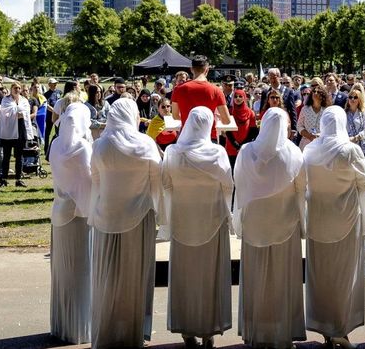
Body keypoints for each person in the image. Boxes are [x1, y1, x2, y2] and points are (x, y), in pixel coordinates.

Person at [90, 98, 163, 349]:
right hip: (140, 216)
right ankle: (133, 331)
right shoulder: (146, 144)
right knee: (135, 274)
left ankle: (106, 328)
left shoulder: (100, 146)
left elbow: (96, 181)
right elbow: (157, 183)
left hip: (106, 216)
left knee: (108, 275)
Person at [233, 107, 306, 349]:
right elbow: (301, 190)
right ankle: (282, 332)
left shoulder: (246, 151)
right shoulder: (294, 153)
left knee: (256, 278)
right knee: (282, 279)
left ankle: (256, 331)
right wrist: (302, 221)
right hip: (285, 223)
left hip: (255, 223)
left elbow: (239, 185)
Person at [162, 107, 233, 348]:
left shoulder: (173, 153)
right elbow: (228, 185)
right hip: (212, 220)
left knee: (185, 275)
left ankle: (186, 327)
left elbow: (166, 184)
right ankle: (208, 329)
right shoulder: (217, 153)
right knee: (209, 275)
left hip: (183, 220)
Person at [303, 106, 365, 347]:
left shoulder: (310, 150)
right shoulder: (350, 151)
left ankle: (326, 328)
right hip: (346, 220)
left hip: (318, 220)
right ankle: (341, 328)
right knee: (344, 276)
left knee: (321, 276)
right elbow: (364, 183)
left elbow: (303, 185)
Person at [48, 89, 93, 345]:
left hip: (60, 208)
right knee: (81, 270)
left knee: (64, 270)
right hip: (80, 212)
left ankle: (63, 323)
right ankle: (81, 327)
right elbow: (90, 181)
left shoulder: (56, 145)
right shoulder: (83, 149)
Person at [171, 56, 231, 143]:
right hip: (209, 137)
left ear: (191, 69)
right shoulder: (216, 90)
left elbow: (175, 116)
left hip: (187, 137)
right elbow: (226, 121)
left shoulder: (178, 89)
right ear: (207, 70)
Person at [0, 82, 31, 187]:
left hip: (20, 129)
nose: (17, 90)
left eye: (19, 88)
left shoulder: (24, 100)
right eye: (15, 88)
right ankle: (4, 179)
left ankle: (18, 179)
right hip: (8, 130)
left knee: (19, 156)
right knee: (6, 155)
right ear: (11, 89)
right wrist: (16, 111)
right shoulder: (6, 100)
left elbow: (25, 112)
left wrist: (16, 112)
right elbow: (5, 112)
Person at [226, 89, 256, 167]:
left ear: (244, 98)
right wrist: (236, 145)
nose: (238, 98)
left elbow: (253, 131)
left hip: (245, 147)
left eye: (240, 96)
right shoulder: (229, 112)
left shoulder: (250, 113)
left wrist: (242, 145)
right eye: (235, 96)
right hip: (231, 147)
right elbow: (227, 131)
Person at [345, 88, 365, 160]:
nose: (352, 99)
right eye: (350, 97)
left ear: (359, 100)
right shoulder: (344, 113)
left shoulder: (364, 112)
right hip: (347, 145)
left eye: (355, 97)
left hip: (361, 146)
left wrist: (356, 138)